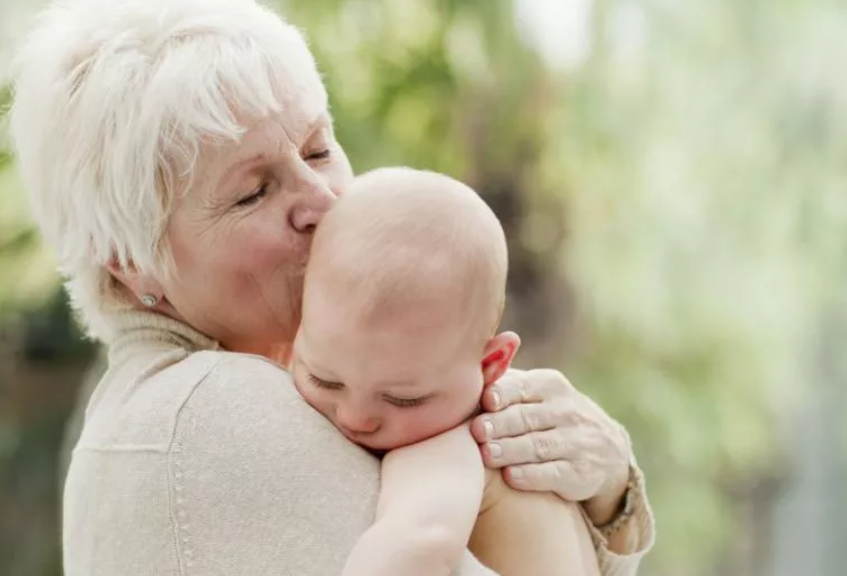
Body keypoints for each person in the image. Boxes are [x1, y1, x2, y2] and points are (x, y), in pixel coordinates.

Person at [7, 0, 654, 575]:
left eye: (317, 149)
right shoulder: (215, 408)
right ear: (130, 263)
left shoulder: (276, 385)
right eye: (253, 191)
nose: (323, 198)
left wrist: (607, 490)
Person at [298, 167, 598, 575]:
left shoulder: (459, 443)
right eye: (324, 379)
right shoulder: (431, 394)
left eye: (403, 398)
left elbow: (420, 541)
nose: (354, 417)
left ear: (491, 366)